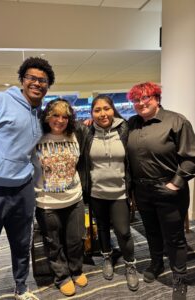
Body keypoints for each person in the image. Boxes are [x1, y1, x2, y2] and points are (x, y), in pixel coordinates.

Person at [0, 56, 55, 300]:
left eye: (43, 80)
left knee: (21, 244)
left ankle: (21, 287)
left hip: (23, 190)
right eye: (32, 78)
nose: (37, 83)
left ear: (48, 86)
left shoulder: (40, 114)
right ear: (22, 79)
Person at [127, 82, 195, 300]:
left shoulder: (176, 121)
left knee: (174, 237)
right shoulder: (132, 123)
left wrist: (175, 183)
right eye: (136, 100)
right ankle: (156, 263)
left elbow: (191, 158)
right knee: (152, 231)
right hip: (142, 191)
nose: (140, 103)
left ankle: (179, 278)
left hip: (169, 189)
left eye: (145, 98)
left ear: (156, 98)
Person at [82, 95, 139, 291]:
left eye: (106, 108)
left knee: (123, 232)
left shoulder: (124, 129)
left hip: (120, 192)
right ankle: (107, 256)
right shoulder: (87, 132)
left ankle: (130, 265)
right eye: (97, 110)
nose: (102, 113)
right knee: (103, 228)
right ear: (91, 113)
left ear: (113, 109)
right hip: (97, 192)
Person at [32, 99, 88, 297]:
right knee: (53, 243)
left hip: (75, 199)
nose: (60, 120)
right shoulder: (36, 137)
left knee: (75, 240)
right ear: (47, 117)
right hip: (47, 203)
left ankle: (76, 270)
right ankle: (62, 277)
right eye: (55, 115)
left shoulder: (76, 134)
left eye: (65, 116)